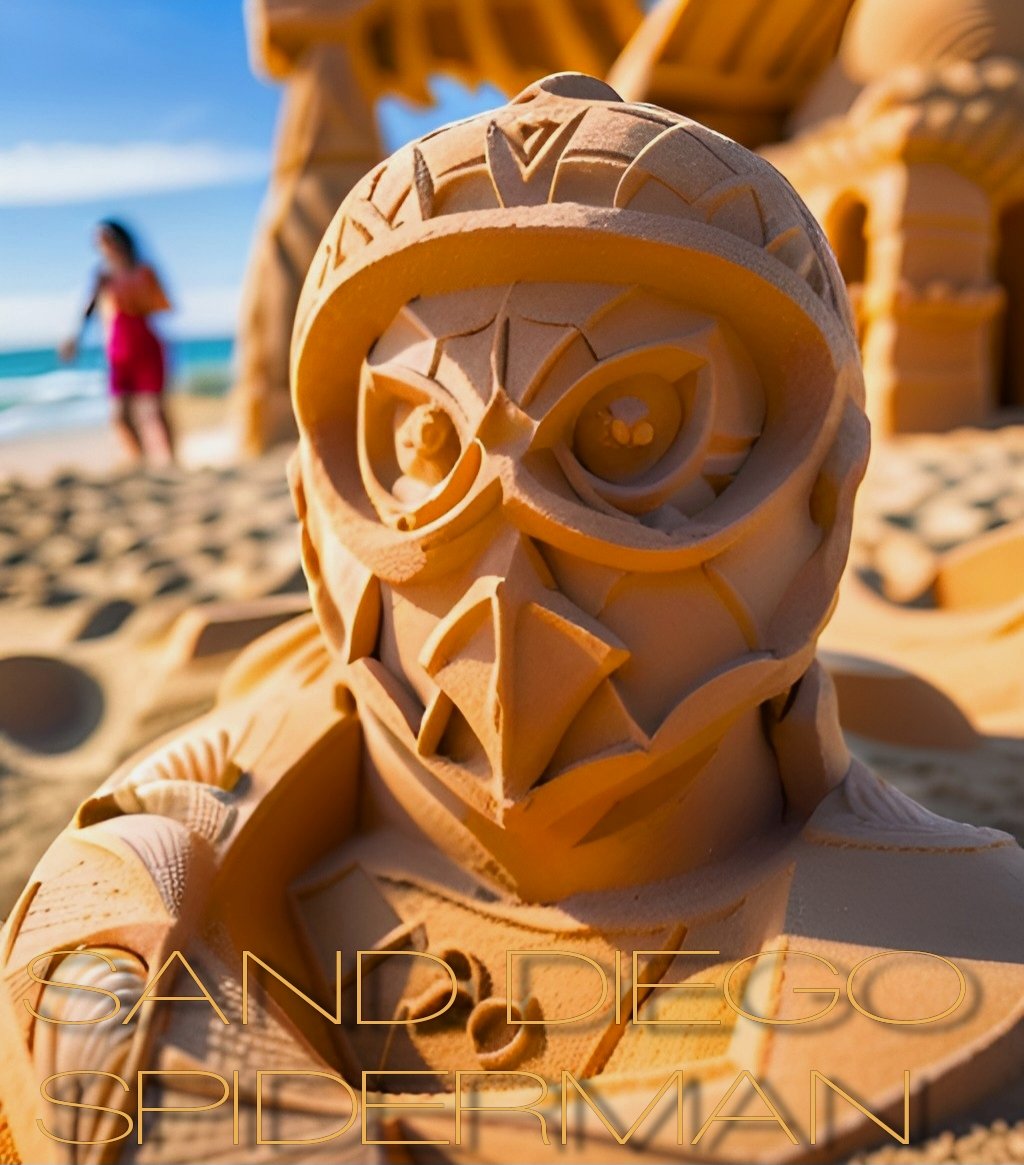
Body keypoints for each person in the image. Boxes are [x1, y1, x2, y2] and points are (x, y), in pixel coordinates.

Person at [60, 219, 175, 466]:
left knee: (155, 411)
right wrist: (74, 339)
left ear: (120, 240)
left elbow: (164, 305)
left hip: (145, 344)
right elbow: (88, 310)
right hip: (118, 350)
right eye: (98, 240)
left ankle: (171, 461)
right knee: (120, 416)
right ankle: (141, 461)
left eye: (106, 238)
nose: (102, 244)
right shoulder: (102, 275)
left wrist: (135, 295)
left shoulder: (143, 271)